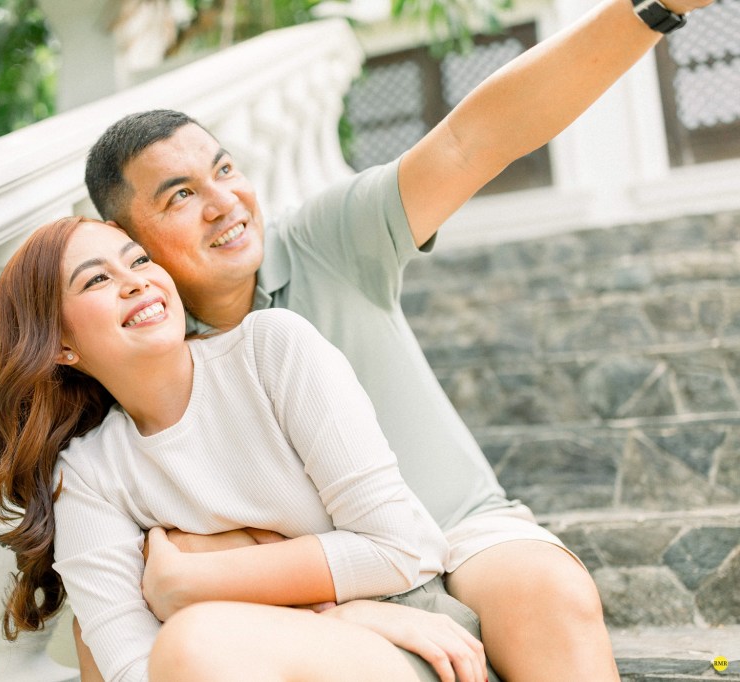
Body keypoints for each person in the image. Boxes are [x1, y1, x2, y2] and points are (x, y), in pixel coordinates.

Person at [77, 0, 715, 679]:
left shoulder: (325, 239)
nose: (224, 202)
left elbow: (473, 140)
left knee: (548, 590)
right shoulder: (143, 362)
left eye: (226, 170)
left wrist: (654, 8)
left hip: (459, 533)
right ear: (125, 239)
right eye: (180, 195)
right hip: (312, 590)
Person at [0, 216, 498, 682]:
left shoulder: (270, 349)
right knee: (165, 648)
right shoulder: (88, 472)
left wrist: (186, 581)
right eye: (96, 279)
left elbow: (396, 549)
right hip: (282, 646)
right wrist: (337, 614)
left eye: (139, 260)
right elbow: (132, 670)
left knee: (195, 642)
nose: (137, 281)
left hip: (414, 634)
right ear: (60, 345)